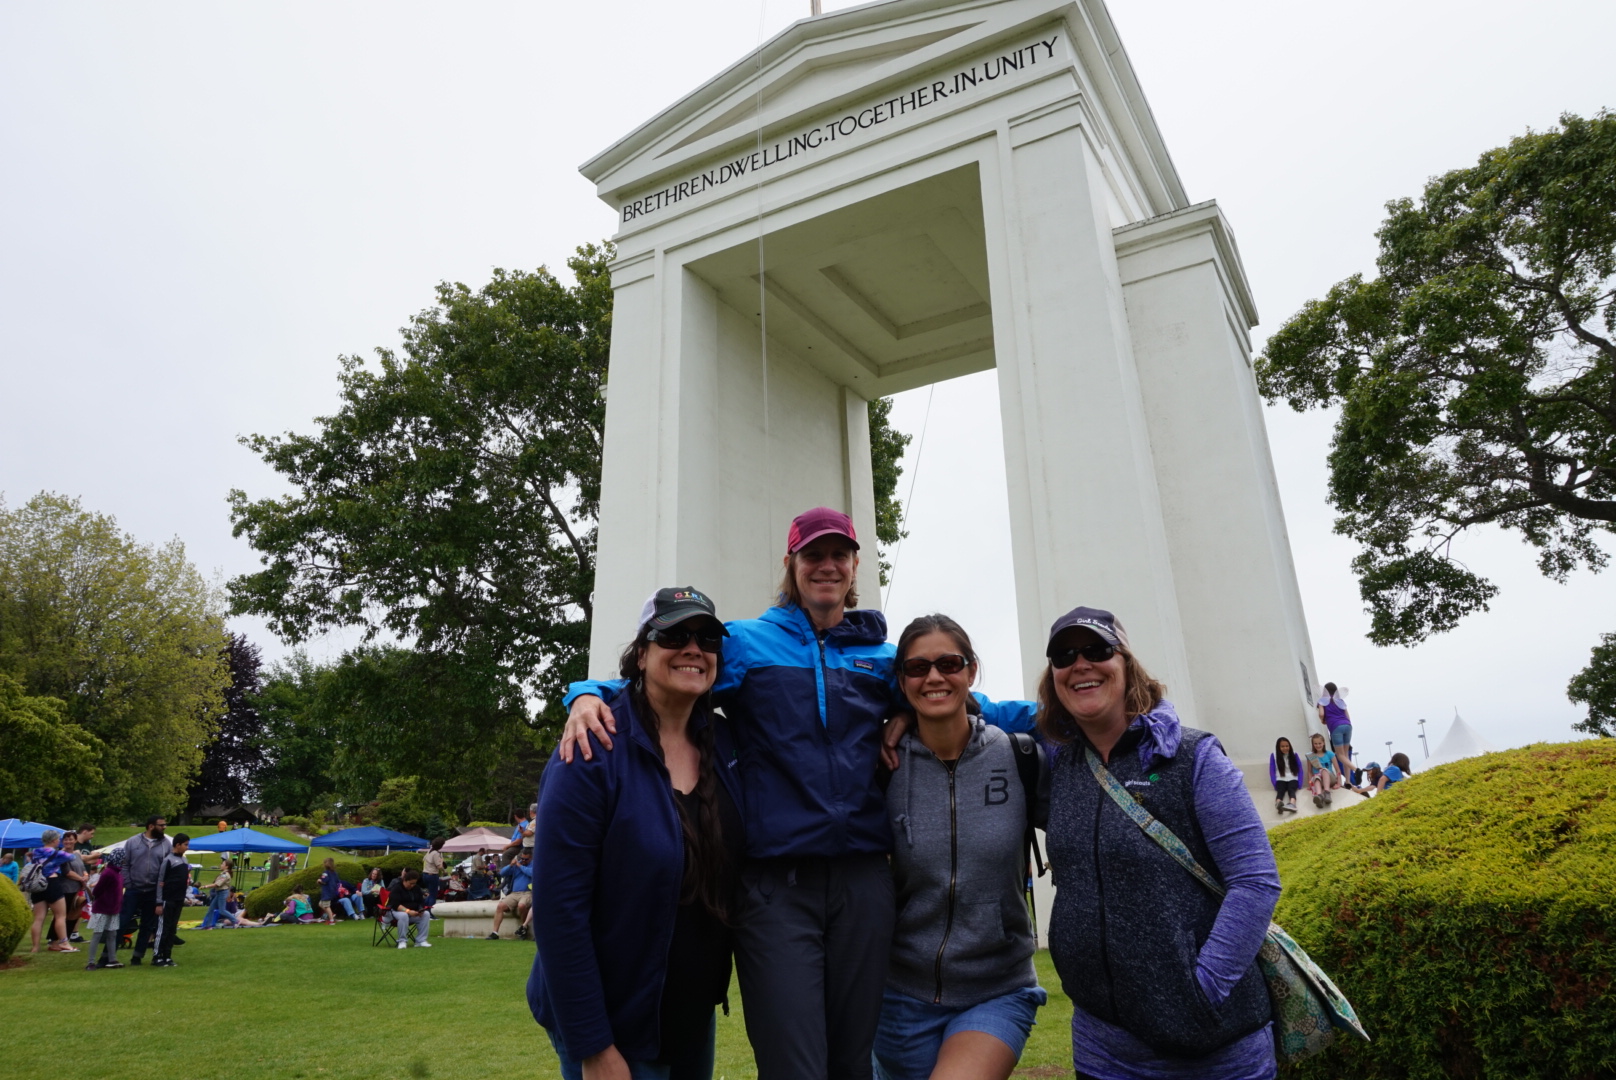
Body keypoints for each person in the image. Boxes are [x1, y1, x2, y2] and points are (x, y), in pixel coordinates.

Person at [559, 512, 1037, 1080]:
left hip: (863, 882)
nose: (826, 566)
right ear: (791, 565)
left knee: (852, 1064)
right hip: (776, 886)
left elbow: (960, 701)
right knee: (795, 1066)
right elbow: (668, 672)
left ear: (855, 565)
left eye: (839, 555)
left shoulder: (882, 657)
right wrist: (586, 695)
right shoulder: (745, 643)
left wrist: (1068, 713)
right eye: (813, 555)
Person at [1037, 606, 1282, 1080]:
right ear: (1053, 678)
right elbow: (964, 704)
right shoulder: (1060, 764)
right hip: (1103, 1049)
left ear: (1126, 664)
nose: (1080, 664)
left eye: (1097, 650)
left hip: (1214, 1051)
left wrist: (1201, 992)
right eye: (1064, 656)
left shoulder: (1193, 756)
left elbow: (1255, 881)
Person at [530, 585, 746, 1080]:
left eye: (708, 638)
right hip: (614, 1023)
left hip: (690, 1017)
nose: (693, 648)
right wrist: (593, 1045)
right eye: (674, 635)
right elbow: (559, 910)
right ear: (642, 653)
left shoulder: (725, 744)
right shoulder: (592, 749)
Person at [874, 615, 1050, 1080]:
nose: (934, 677)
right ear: (902, 682)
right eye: (918, 668)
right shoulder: (881, 767)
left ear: (971, 671)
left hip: (998, 989)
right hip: (898, 994)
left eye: (948, 664)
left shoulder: (1019, 756)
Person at [121, 815, 172, 964]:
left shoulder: (166, 844)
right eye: (161, 825)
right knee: (123, 921)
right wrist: (128, 883)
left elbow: (167, 867)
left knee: (147, 925)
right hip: (133, 889)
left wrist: (161, 889)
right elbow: (125, 864)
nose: (164, 827)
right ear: (151, 826)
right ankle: (108, 956)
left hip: (153, 891)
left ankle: (137, 956)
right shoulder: (133, 842)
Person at [26, 829, 78, 954]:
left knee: (38, 918)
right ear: (54, 840)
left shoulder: (36, 852)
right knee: (60, 916)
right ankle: (64, 942)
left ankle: (35, 947)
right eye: (58, 839)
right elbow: (73, 857)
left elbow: (31, 859)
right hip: (52, 883)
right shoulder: (57, 854)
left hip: (38, 884)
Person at [151, 833, 191, 967]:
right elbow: (160, 881)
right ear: (178, 845)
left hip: (179, 899)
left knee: (172, 929)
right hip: (167, 899)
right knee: (163, 928)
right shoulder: (168, 860)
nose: (187, 847)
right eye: (185, 845)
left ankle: (167, 956)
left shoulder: (184, 861)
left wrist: (185, 896)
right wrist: (159, 902)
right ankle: (157, 956)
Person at [85, 845, 127, 969]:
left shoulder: (118, 873)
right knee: (98, 934)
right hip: (102, 908)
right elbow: (98, 890)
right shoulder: (109, 873)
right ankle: (91, 962)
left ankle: (112, 959)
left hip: (113, 909)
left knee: (112, 934)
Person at [491, 849, 533, 940]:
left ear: (531, 858)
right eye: (522, 858)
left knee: (521, 905)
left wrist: (520, 866)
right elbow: (502, 873)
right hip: (514, 893)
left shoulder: (533, 864)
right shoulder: (517, 865)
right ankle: (495, 932)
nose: (523, 860)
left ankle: (523, 928)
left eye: (526, 859)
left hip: (527, 893)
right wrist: (510, 865)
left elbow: (532, 873)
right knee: (500, 906)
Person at [1316, 683, 1354, 777]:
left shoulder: (1322, 701)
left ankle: (1356, 770)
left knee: (1340, 755)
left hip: (1336, 727)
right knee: (1345, 755)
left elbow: (1321, 714)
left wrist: (1322, 720)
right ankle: (1348, 781)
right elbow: (1348, 716)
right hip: (1347, 725)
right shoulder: (1340, 701)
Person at [388, 867, 431, 948]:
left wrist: (420, 910)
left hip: (413, 913)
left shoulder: (416, 888)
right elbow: (396, 905)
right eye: (410, 883)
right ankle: (402, 941)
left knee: (426, 914)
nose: (412, 885)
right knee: (403, 915)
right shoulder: (396, 888)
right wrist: (408, 911)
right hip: (396, 913)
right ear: (405, 880)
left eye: (414, 883)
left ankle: (421, 940)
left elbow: (420, 901)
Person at [1303, 733, 1341, 807]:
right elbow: (1309, 771)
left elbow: (1338, 770)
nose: (1318, 745)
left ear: (1323, 743)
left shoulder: (1330, 754)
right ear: (1313, 744)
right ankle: (1319, 796)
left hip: (1330, 779)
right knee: (1316, 777)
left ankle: (1327, 793)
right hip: (1319, 780)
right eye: (1315, 744)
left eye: (1319, 743)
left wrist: (1339, 783)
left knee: (1324, 770)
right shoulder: (1310, 756)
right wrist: (1310, 784)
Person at [198, 860, 234, 929]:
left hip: (222, 892)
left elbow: (217, 884)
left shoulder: (224, 875)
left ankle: (235, 921)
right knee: (211, 909)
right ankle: (208, 925)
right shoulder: (223, 874)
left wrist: (205, 886)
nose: (221, 865)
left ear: (227, 866)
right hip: (220, 892)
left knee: (222, 910)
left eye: (222, 864)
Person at [1269, 738, 1301, 815]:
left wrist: (1300, 782)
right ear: (1278, 747)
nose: (1285, 748)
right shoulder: (1274, 755)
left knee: (1291, 790)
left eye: (1287, 746)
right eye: (1282, 746)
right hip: (1280, 778)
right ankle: (1278, 804)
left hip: (1293, 777)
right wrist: (1274, 783)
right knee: (1280, 791)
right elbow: (1272, 770)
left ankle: (1292, 804)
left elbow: (1300, 768)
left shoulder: (1294, 754)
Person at [317, 858, 344, 924]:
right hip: (332, 891)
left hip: (327, 892)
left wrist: (319, 881)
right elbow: (337, 881)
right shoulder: (335, 873)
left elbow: (324, 880)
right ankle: (332, 914)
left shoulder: (325, 873)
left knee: (326, 906)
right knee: (320, 904)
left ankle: (331, 920)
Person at [421, 837, 446, 910]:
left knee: (430, 893)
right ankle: (431, 911)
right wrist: (442, 864)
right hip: (432, 875)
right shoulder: (436, 853)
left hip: (425, 874)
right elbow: (439, 866)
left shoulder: (429, 851)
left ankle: (424, 907)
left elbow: (423, 860)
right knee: (433, 894)